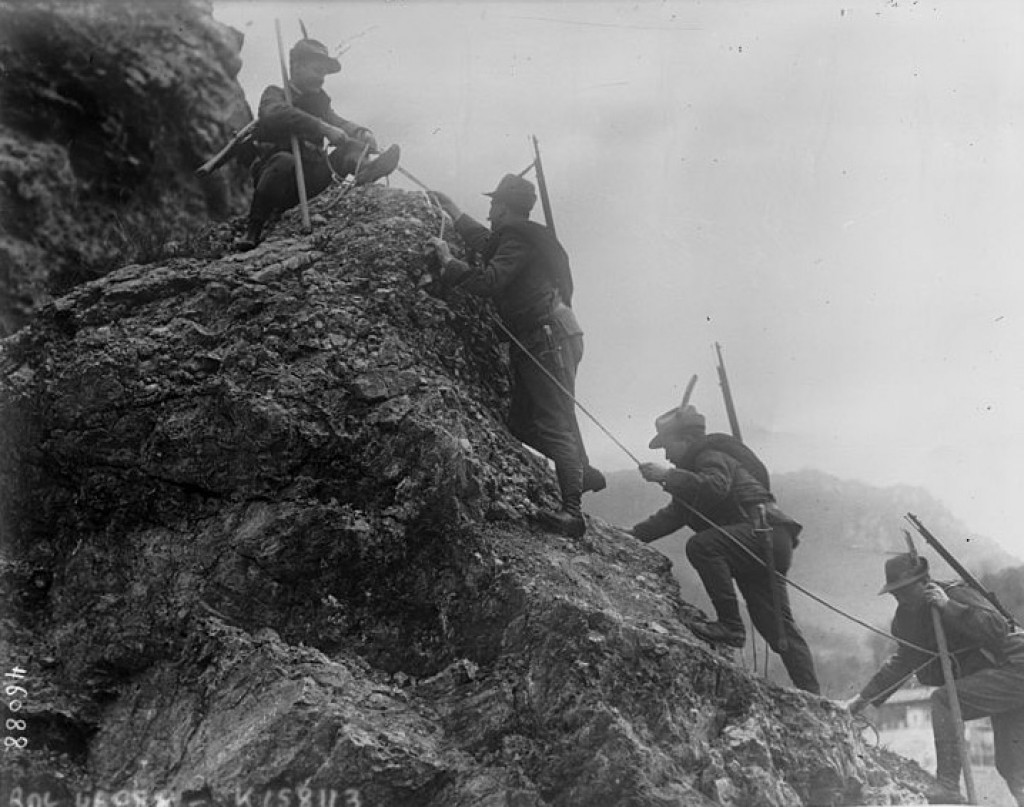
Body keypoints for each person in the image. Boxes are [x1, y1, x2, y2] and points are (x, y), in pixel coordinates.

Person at [427, 173, 605, 539]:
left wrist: (448, 263)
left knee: (554, 423)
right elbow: (488, 243)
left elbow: (490, 280)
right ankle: (579, 468)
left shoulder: (517, 239)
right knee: (522, 424)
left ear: (504, 207)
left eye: (493, 205)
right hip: (543, 335)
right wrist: (456, 212)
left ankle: (573, 513)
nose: (489, 212)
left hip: (548, 335)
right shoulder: (519, 237)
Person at [629, 402, 820, 693]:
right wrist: (631, 536)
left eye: (668, 446)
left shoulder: (709, 455)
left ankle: (730, 625)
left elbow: (714, 487)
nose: (666, 454)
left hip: (761, 535)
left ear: (688, 440)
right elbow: (675, 515)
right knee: (776, 627)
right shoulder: (696, 470)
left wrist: (668, 475)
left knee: (702, 547)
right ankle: (814, 699)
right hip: (766, 541)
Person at [844, 553, 1024, 806]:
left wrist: (949, 607)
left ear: (925, 582)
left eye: (906, 591)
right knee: (1012, 764)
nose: (901, 598)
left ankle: (948, 785)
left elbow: (997, 628)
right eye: (896, 593)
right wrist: (863, 700)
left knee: (946, 700)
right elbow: (904, 661)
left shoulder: (955, 593)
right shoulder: (906, 620)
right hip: (1002, 677)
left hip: (1016, 667)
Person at [235, 38, 401, 251]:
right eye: (316, 71)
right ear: (296, 67)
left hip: (314, 179)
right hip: (282, 185)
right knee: (284, 160)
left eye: (324, 73)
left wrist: (360, 132)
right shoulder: (275, 94)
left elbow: (338, 122)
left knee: (349, 148)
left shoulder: (320, 102)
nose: (321, 79)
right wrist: (322, 128)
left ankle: (367, 170)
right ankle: (253, 229)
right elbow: (274, 114)